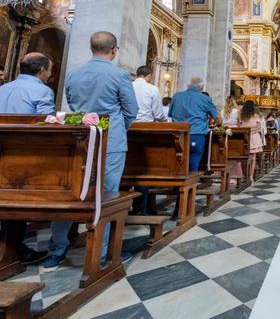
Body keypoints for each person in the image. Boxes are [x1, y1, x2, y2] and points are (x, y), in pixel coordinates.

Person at [44, 31, 139, 272]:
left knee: (72, 190)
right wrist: (116, 129)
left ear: (91, 48)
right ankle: (101, 251)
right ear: (114, 50)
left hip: (79, 139)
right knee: (105, 194)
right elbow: (131, 110)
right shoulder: (119, 75)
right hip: (111, 143)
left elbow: (72, 105)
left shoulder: (73, 74)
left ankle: (56, 251)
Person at [0, 52, 54, 265]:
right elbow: (47, 127)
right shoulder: (41, 91)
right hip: (25, 155)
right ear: (41, 70)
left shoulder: (3, 88)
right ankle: (14, 248)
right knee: (21, 201)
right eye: (49, 70)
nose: (50, 74)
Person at [131, 66, 165, 215]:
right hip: (145, 130)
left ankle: (123, 205)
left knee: (128, 167)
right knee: (145, 169)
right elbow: (158, 113)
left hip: (127, 129)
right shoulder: (152, 89)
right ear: (149, 75)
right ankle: (141, 208)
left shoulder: (128, 86)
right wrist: (164, 121)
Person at [169, 77, 219, 172]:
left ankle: (178, 179)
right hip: (196, 133)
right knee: (194, 157)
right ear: (202, 87)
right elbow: (217, 118)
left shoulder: (176, 96)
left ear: (188, 85)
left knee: (178, 157)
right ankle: (191, 181)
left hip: (177, 134)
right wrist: (219, 124)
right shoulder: (205, 98)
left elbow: (170, 114)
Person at [239, 100, 262, 184]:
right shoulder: (255, 115)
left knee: (243, 158)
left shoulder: (242, 116)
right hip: (254, 137)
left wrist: (247, 132)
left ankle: (244, 176)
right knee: (253, 158)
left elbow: (240, 126)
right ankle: (250, 176)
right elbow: (259, 128)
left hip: (244, 136)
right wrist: (251, 132)